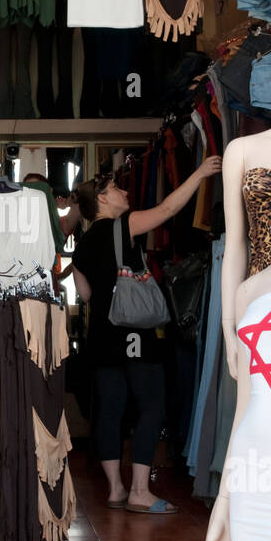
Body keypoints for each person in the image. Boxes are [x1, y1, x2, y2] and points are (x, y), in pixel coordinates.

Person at [71, 154, 222, 513]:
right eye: (115, 188)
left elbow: (87, 295)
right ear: (102, 200)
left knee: (109, 410)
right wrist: (200, 172)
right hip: (133, 334)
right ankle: (140, 491)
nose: (125, 191)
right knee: (151, 405)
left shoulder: (81, 246)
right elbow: (168, 208)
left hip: (102, 337)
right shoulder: (123, 226)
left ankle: (115, 490)